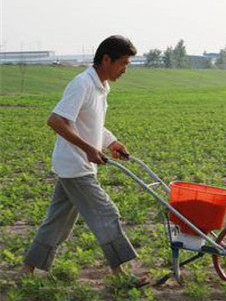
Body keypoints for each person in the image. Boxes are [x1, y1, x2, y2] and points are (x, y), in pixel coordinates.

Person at [20, 35, 147, 287]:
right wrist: (89, 149)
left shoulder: (101, 87)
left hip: (76, 164)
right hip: (75, 165)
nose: (124, 69)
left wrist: (110, 142)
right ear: (106, 59)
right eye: (123, 63)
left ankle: (27, 271)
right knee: (107, 213)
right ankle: (121, 275)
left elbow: (90, 123)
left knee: (57, 222)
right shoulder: (82, 84)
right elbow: (56, 120)